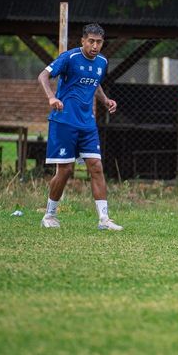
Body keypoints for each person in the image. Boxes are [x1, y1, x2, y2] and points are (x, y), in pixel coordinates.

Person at [37, 23, 122, 231]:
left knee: (96, 166)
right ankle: (49, 215)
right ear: (83, 41)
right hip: (64, 121)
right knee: (65, 170)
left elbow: (95, 83)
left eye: (99, 42)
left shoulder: (102, 62)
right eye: (91, 41)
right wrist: (51, 97)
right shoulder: (70, 58)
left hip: (87, 124)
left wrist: (105, 100)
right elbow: (43, 76)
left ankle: (104, 220)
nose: (95, 46)